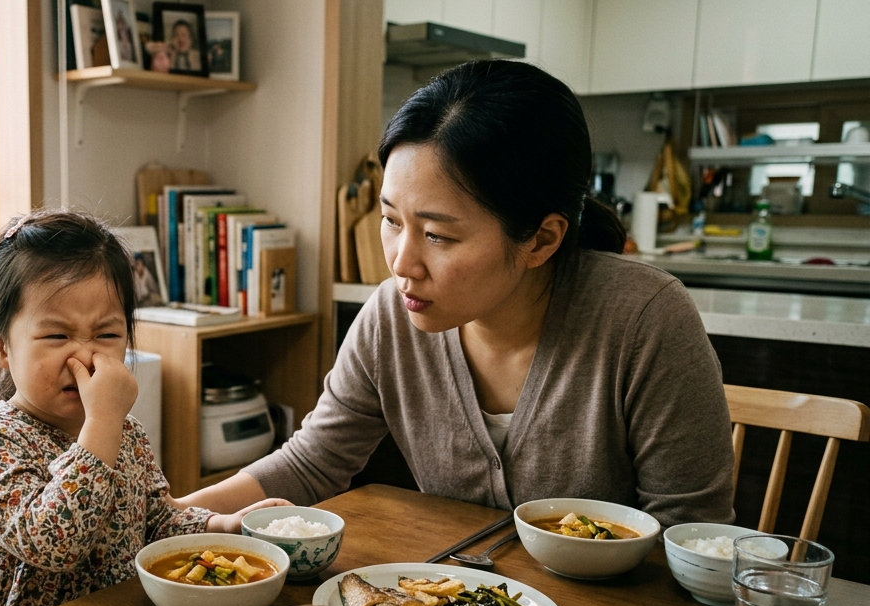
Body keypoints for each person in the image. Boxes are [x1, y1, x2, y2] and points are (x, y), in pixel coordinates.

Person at [183, 59, 735, 528]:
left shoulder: (643, 319)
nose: (401, 264)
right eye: (391, 220)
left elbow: (690, 533)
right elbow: (310, 464)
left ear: (541, 239)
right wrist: (168, 518)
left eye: (438, 236)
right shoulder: (391, 317)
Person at [0, 210, 288, 606]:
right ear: (0, 344)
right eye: (57, 335)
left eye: (107, 335)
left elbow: (156, 521)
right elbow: (54, 543)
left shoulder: (125, 431)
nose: (86, 355)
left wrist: (224, 525)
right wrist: (104, 423)